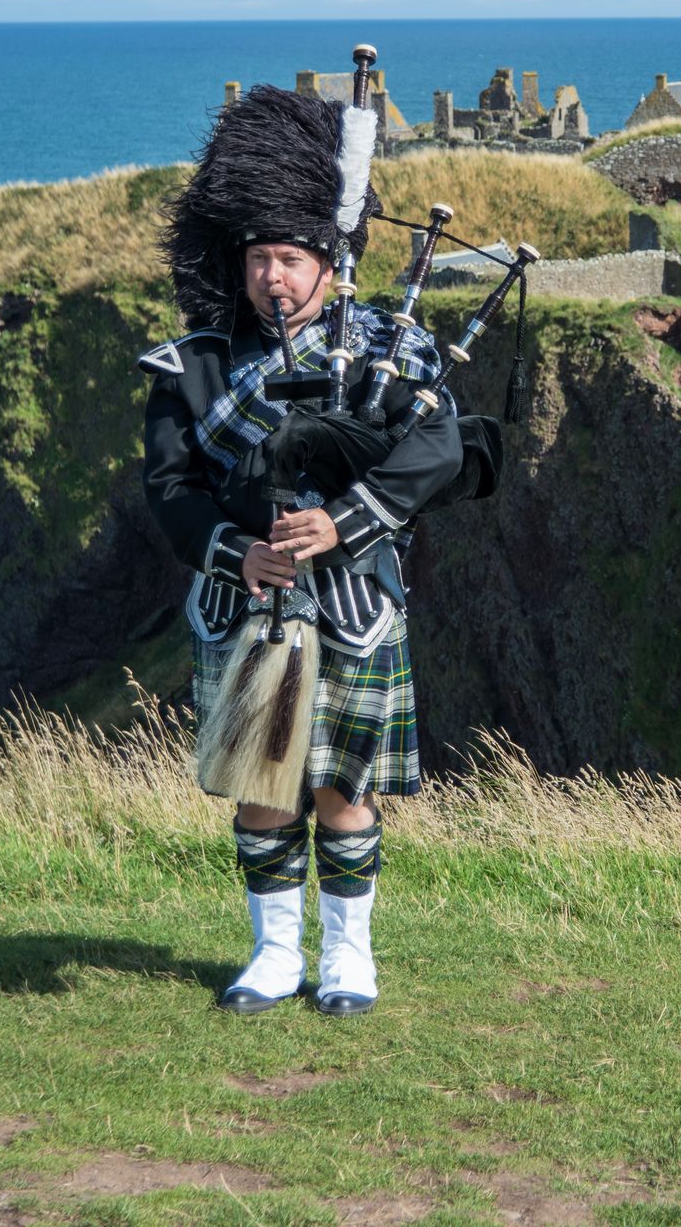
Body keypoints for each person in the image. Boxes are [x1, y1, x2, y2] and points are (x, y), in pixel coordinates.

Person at [140, 84, 462, 1015]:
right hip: (246, 603)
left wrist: (346, 520)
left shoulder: (389, 349)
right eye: (258, 259)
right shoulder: (194, 365)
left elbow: (439, 447)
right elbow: (168, 488)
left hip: (354, 595)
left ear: (329, 260)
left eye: (290, 258)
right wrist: (234, 550)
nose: (272, 277)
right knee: (262, 784)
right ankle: (274, 957)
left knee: (344, 786)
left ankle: (348, 960)